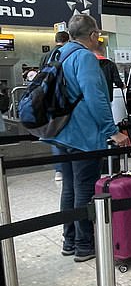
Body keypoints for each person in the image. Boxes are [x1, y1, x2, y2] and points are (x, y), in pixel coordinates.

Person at [46, 15, 129, 262]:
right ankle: (85, 245)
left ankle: (69, 240)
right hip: (82, 135)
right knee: (84, 188)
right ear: (93, 35)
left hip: (60, 133)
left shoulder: (57, 55)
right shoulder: (84, 58)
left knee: (69, 188)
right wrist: (111, 131)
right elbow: (96, 98)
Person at [40, 31, 70, 181]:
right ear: (68, 39)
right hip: (62, 101)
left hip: (48, 101)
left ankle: (59, 170)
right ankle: (66, 167)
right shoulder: (66, 54)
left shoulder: (46, 56)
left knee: (54, 135)